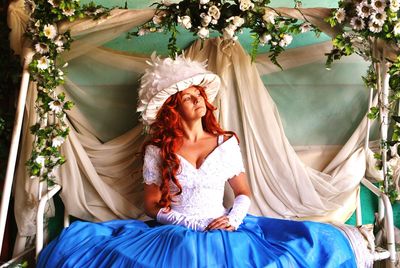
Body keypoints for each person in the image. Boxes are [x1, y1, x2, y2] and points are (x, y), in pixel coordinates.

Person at [37, 53, 357, 267]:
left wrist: (232, 219)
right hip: (176, 229)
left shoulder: (226, 142)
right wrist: (186, 221)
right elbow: (152, 205)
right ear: (173, 108)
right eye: (189, 97)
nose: (199, 100)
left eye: (199, 95)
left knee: (305, 246)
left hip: (222, 225)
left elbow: (243, 192)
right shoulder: (158, 150)